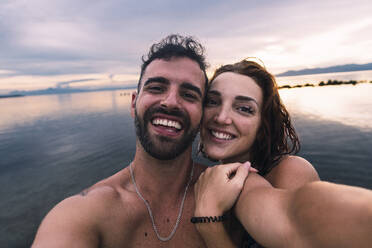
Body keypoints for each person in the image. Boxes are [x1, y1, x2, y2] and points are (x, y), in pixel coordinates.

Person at [32, 34, 214, 247]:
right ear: (133, 104)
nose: (171, 102)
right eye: (156, 88)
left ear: (203, 114)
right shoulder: (86, 212)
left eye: (189, 95)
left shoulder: (226, 189)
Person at [193, 59, 372, 248]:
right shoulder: (216, 177)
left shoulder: (290, 170)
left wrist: (209, 221)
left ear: (264, 123)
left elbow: (300, 219)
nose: (221, 117)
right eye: (212, 101)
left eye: (244, 109)